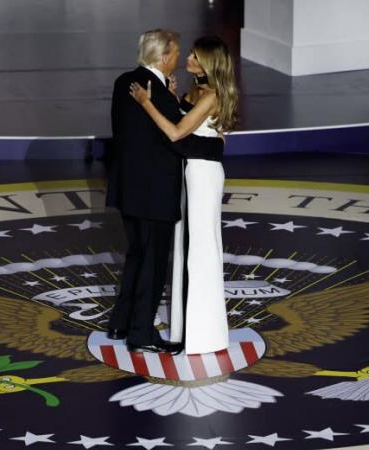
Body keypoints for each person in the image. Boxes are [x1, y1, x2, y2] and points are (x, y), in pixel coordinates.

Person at [105, 29, 220, 353]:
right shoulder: (158, 94)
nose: (180, 58)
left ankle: (119, 323)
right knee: (152, 264)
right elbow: (178, 139)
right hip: (155, 192)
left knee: (137, 255)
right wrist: (218, 147)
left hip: (128, 188)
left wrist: (171, 99)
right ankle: (141, 334)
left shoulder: (123, 82)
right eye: (178, 52)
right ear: (165, 56)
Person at [129, 36, 238, 354]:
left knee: (201, 251)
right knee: (185, 250)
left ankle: (205, 335)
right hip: (190, 173)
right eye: (189, 53)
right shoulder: (196, 91)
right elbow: (194, 130)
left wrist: (147, 102)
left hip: (203, 177)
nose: (188, 58)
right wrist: (174, 98)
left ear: (208, 63)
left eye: (194, 55)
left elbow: (177, 133)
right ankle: (187, 330)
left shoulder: (213, 95)